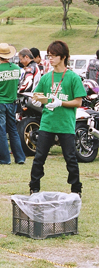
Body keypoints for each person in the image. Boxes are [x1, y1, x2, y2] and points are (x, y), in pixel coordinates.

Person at [29, 41, 85, 197]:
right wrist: (39, 99)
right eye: (49, 56)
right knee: (39, 158)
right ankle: (34, 187)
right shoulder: (47, 77)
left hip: (65, 124)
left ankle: (76, 189)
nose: (50, 59)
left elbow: (78, 101)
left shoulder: (73, 77)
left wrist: (61, 102)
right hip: (47, 122)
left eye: (53, 56)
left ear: (63, 57)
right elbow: (37, 94)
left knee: (71, 158)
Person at [0, 43, 26, 165]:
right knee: (13, 130)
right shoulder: (16, 69)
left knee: (1, 131)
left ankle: (4, 158)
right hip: (12, 102)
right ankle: (19, 157)